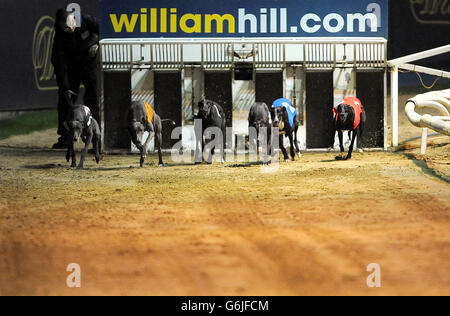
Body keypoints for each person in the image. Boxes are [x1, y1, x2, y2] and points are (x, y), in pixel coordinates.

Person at [51, 7, 99, 149]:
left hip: (89, 63)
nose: (69, 28)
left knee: (93, 98)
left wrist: (98, 44)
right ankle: (65, 136)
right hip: (72, 67)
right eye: (65, 27)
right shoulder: (59, 34)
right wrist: (64, 87)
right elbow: (58, 62)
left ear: (75, 18)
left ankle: (94, 138)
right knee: (66, 100)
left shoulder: (87, 20)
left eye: (71, 24)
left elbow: (107, 32)